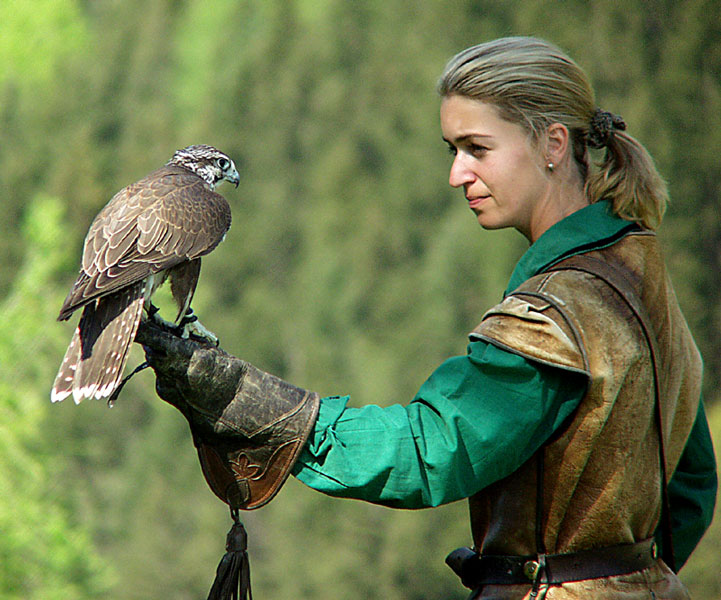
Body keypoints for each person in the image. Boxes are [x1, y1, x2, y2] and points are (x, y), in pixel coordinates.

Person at [137, 36, 717, 599]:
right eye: (452, 150)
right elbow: (690, 485)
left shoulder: (559, 309)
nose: (457, 174)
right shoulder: (640, 268)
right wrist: (626, 574)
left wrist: (267, 411)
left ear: (554, 144)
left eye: (477, 148)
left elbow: (431, 450)